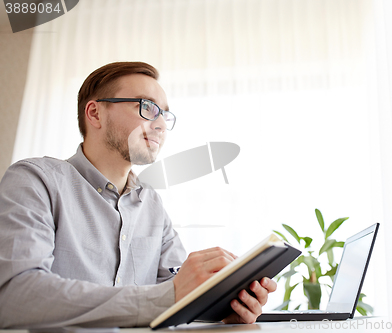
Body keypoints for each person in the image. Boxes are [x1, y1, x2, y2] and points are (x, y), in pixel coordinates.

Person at [0, 62, 277, 328]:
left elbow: (178, 295)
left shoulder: (151, 204)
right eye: (147, 107)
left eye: (165, 114)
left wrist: (220, 308)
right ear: (95, 113)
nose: (160, 125)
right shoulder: (35, 181)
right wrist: (170, 296)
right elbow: (15, 297)